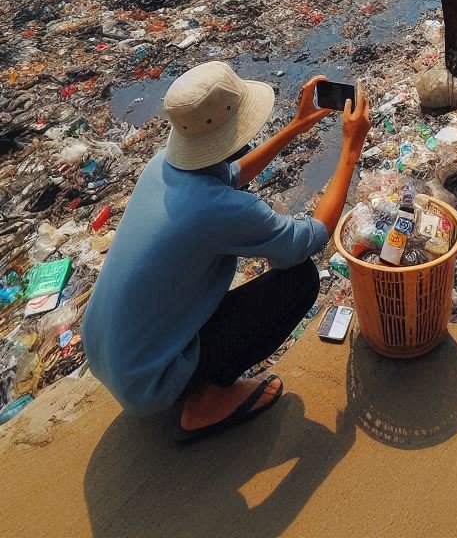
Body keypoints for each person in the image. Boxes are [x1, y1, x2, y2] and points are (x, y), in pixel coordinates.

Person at [81, 61, 371, 443]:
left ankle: (188, 377)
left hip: (109, 352)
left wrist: (297, 127)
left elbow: (232, 174)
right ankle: (204, 402)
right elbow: (308, 240)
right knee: (299, 281)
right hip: (147, 383)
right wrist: (350, 150)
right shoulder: (218, 210)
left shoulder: (160, 167)